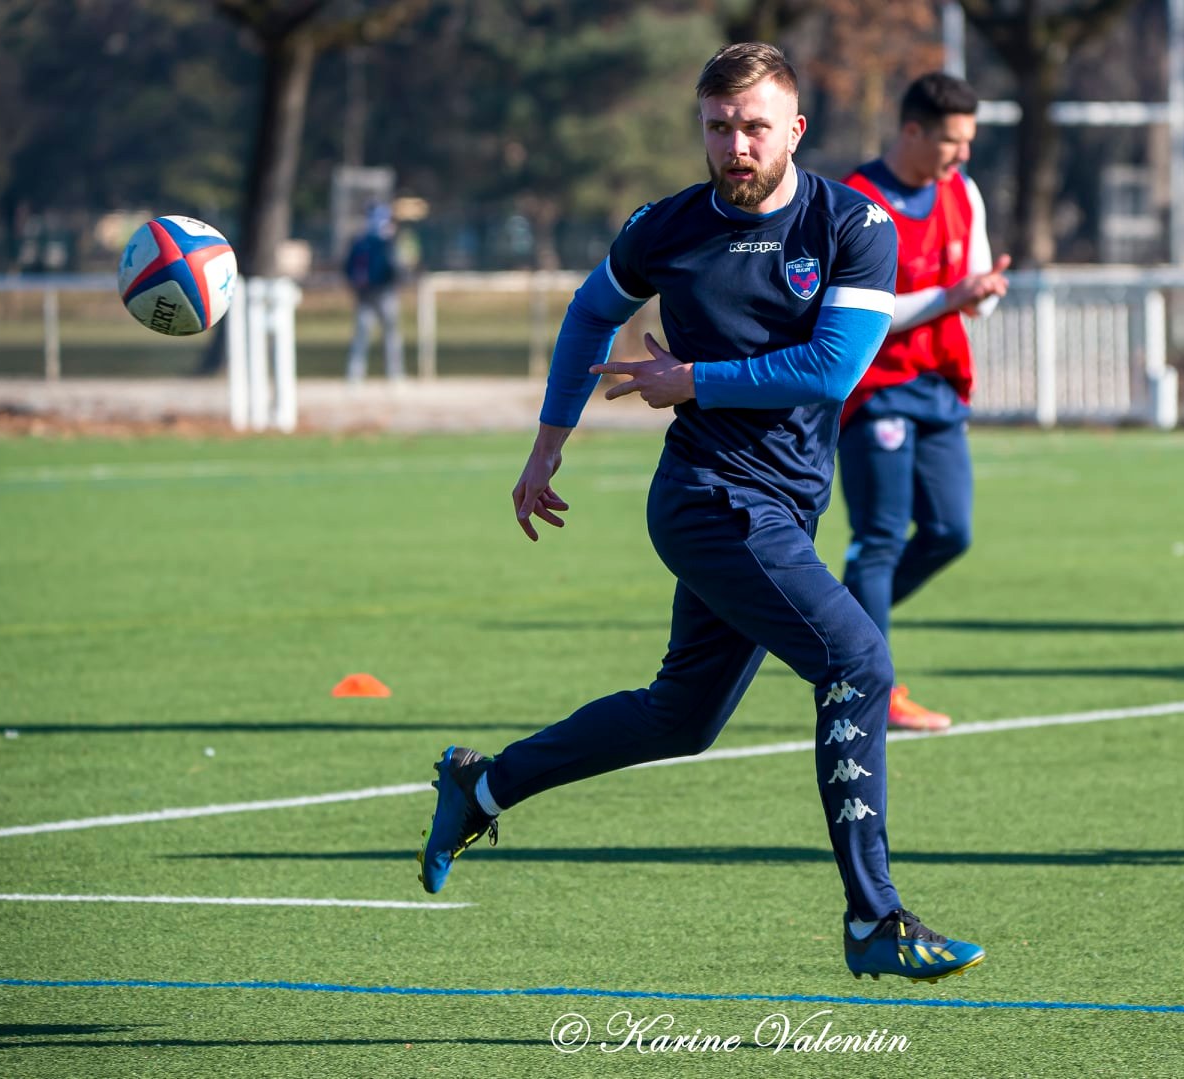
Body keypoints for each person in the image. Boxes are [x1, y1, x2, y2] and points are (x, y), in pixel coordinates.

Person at [415, 43, 985, 985]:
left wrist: (692, 379)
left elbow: (832, 368)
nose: (736, 145)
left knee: (681, 717)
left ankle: (481, 785)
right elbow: (587, 315)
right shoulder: (666, 227)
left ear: (794, 130)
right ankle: (874, 917)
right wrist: (549, 442)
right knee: (857, 658)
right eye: (719, 127)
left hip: (785, 502)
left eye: (755, 126)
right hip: (707, 500)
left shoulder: (853, 225)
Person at [838, 73, 1012, 732]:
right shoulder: (856, 201)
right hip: (876, 389)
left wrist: (985, 289)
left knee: (949, 531)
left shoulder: (962, 193)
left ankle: (835, 625)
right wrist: (953, 296)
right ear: (911, 131)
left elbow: (979, 293)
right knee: (879, 537)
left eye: (968, 141)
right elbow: (866, 316)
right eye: (951, 141)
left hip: (940, 385)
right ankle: (871, 685)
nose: (962, 155)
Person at [344, 203, 405, 383]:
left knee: (390, 336)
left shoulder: (389, 243)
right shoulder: (362, 242)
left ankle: (394, 374)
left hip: (385, 294)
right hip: (366, 296)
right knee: (362, 336)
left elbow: (396, 270)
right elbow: (348, 267)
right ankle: (355, 375)